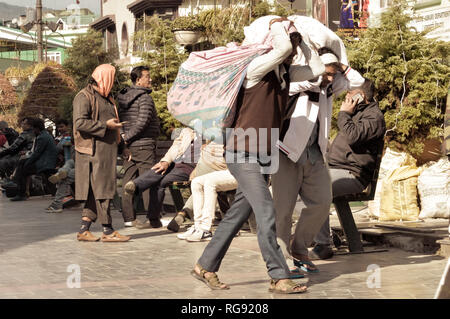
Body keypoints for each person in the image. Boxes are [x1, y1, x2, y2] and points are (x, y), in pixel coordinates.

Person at [191, 17, 325, 294]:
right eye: (292, 43)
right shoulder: (254, 69)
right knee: (266, 211)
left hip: (264, 157)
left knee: (238, 215)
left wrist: (305, 42)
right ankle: (278, 276)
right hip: (242, 154)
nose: (293, 48)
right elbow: (280, 49)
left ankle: (205, 265)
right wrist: (278, 24)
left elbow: (317, 68)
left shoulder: (284, 75)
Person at [272, 47, 365, 274]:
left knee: (322, 203)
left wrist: (339, 64)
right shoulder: (296, 83)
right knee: (282, 210)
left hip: (314, 154)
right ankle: (281, 260)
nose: (331, 79)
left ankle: (299, 248)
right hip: (286, 152)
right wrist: (315, 73)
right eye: (328, 74)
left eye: (334, 75)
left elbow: (357, 80)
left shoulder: (328, 88)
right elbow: (293, 86)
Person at [312, 79, 386, 259]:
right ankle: (322, 235)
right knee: (300, 186)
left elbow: (353, 137)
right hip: (335, 169)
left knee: (314, 189)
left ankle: (323, 243)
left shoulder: (374, 117)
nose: (345, 97)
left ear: (361, 97)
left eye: (349, 94)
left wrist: (344, 114)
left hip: (353, 175)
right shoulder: (357, 113)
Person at [73, 64, 130, 242]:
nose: (113, 83)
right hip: (93, 152)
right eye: (111, 78)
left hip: (107, 151)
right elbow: (80, 123)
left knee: (95, 191)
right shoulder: (84, 97)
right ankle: (108, 230)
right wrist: (105, 126)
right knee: (103, 191)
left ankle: (84, 230)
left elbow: (115, 124)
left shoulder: (106, 98)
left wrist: (123, 146)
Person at [123, 127, 201, 229]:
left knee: (161, 182)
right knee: (159, 169)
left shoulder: (212, 134)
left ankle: (153, 218)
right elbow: (175, 147)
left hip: (191, 169)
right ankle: (135, 186)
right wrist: (166, 161)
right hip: (176, 165)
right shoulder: (187, 131)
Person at [117, 66, 160, 227]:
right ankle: (152, 219)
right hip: (144, 145)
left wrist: (124, 141)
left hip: (129, 147)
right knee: (148, 182)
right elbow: (143, 122)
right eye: (147, 76)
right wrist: (126, 139)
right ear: (138, 79)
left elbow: (119, 121)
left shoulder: (123, 97)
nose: (150, 79)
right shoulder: (145, 98)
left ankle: (129, 219)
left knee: (129, 181)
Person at [176, 144, 238, 242]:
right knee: (196, 182)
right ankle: (198, 226)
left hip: (244, 171)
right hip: (230, 170)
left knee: (210, 182)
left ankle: (206, 229)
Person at [9, 117, 57, 201]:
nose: (33, 131)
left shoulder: (42, 137)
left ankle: (21, 193)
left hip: (45, 163)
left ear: (37, 128)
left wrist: (28, 162)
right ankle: (19, 188)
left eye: (33, 128)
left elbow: (36, 153)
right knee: (23, 163)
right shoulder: (45, 135)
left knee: (23, 169)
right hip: (47, 161)